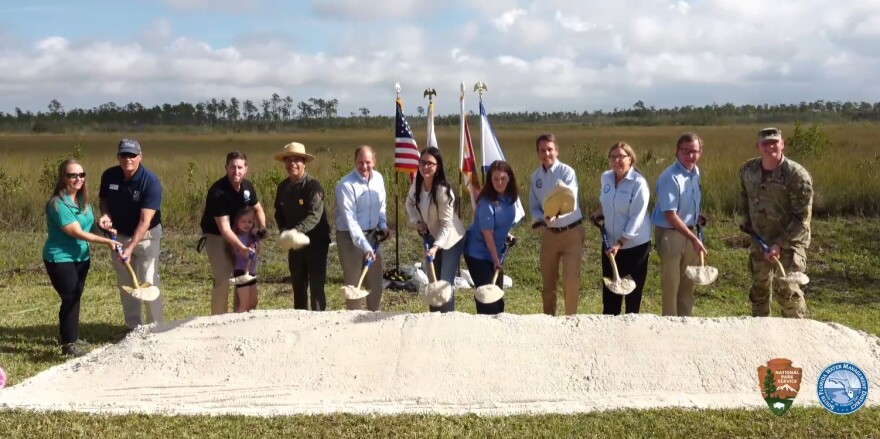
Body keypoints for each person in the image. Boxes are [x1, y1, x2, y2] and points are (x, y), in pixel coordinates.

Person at [43, 160, 118, 357]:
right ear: (63, 178)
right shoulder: (57, 205)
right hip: (60, 258)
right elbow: (77, 232)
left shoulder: (84, 202)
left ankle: (71, 338)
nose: (78, 179)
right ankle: (68, 345)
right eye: (72, 175)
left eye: (81, 175)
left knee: (75, 297)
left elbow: (90, 226)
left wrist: (104, 226)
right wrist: (106, 243)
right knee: (70, 297)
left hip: (81, 257)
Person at [740, 127, 813, 318]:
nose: (770, 146)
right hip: (761, 241)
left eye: (774, 142)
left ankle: (795, 337)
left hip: (790, 243)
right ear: (758, 146)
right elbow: (744, 196)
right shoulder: (748, 170)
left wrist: (779, 244)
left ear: (782, 143)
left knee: (789, 292)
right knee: (759, 291)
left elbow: (802, 218)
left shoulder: (797, 176)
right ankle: (761, 335)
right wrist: (747, 221)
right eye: (765, 143)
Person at [98, 139, 164, 329]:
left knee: (148, 280)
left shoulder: (150, 181)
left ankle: (156, 326)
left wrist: (130, 246)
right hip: (118, 235)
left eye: (132, 155)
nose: (128, 159)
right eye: (124, 155)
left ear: (140, 157)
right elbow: (103, 200)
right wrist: (106, 215)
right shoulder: (109, 176)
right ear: (118, 157)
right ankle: (133, 327)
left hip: (146, 236)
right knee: (126, 282)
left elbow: (145, 221)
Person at [199, 151, 267, 315]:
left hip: (242, 235)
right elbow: (224, 228)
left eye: (239, 167)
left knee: (243, 275)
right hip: (217, 236)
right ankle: (218, 320)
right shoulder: (218, 192)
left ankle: (241, 315)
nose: (236, 171)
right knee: (223, 278)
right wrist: (242, 247)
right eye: (232, 167)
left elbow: (257, 208)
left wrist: (262, 228)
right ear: (226, 168)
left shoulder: (247, 187)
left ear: (246, 169)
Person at [589, 142, 651, 315]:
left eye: (621, 157)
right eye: (613, 157)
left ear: (630, 159)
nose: (617, 161)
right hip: (610, 244)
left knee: (632, 294)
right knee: (610, 294)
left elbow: (636, 217)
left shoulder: (639, 183)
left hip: (634, 246)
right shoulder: (606, 177)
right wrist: (598, 212)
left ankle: (630, 332)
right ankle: (609, 331)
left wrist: (621, 242)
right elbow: (605, 202)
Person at [650, 133, 707, 317]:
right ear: (677, 152)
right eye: (685, 151)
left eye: (694, 151)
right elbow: (670, 215)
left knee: (687, 283)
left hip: (689, 231)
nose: (690, 155)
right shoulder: (670, 177)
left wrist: (696, 216)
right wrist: (693, 238)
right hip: (671, 234)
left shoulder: (695, 172)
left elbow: (686, 204)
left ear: (700, 152)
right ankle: (669, 325)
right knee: (671, 284)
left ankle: (685, 322)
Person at [529, 133, 585, 316]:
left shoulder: (567, 172)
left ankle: (570, 322)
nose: (546, 153)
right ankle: (549, 320)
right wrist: (542, 218)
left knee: (570, 281)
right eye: (542, 150)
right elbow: (534, 207)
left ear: (557, 151)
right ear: (538, 153)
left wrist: (554, 214)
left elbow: (569, 200)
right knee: (548, 282)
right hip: (549, 234)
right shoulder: (535, 177)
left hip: (571, 232)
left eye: (550, 149)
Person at [405, 147, 466, 313]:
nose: (425, 167)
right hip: (432, 236)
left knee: (444, 283)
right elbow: (409, 203)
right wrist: (417, 221)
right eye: (422, 163)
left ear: (437, 166)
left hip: (451, 239)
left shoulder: (443, 191)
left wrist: (435, 247)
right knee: (433, 280)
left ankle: (447, 319)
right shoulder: (417, 183)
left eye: (430, 164)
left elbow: (447, 225)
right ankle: (434, 317)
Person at [274, 142, 331, 311]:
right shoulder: (282, 187)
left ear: (304, 163)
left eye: (297, 160)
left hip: (316, 243)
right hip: (294, 243)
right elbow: (278, 212)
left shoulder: (313, 186)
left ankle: (318, 320)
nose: (293, 164)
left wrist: (296, 230)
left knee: (316, 286)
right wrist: (284, 230)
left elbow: (315, 214)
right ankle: (299, 320)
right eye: (289, 160)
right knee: (298, 284)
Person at [334, 146, 390, 311]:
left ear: (374, 161)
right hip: (349, 238)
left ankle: (373, 316)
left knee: (375, 281)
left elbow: (381, 206)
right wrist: (365, 246)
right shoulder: (345, 186)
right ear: (354, 162)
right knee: (354, 284)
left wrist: (383, 225)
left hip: (373, 234)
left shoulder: (378, 179)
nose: (364, 166)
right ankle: (353, 318)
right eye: (360, 162)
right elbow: (351, 221)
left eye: (368, 162)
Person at [464, 160, 518, 315]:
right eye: (496, 179)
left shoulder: (509, 198)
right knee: (487, 298)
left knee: (497, 296)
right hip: (478, 254)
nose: (499, 182)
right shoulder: (486, 202)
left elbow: (499, 225)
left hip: (496, 252)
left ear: (509, 178)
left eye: (503, 178)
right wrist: (495, 260)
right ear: (490, 180)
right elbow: (487, 234)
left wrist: (507, 235)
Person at [230, 206, 259, 312]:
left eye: (250, 222)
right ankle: (238, 323)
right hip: (241, 271)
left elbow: (257, 252)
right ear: (237, 221)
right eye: (243, 221)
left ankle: (249, 322)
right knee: (244, 302)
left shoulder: (253, 236)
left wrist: (256, 245)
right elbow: (237, 252)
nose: (247, 224)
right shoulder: (236, 237)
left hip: (251, 271)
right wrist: (247, 251)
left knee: (253, 302)